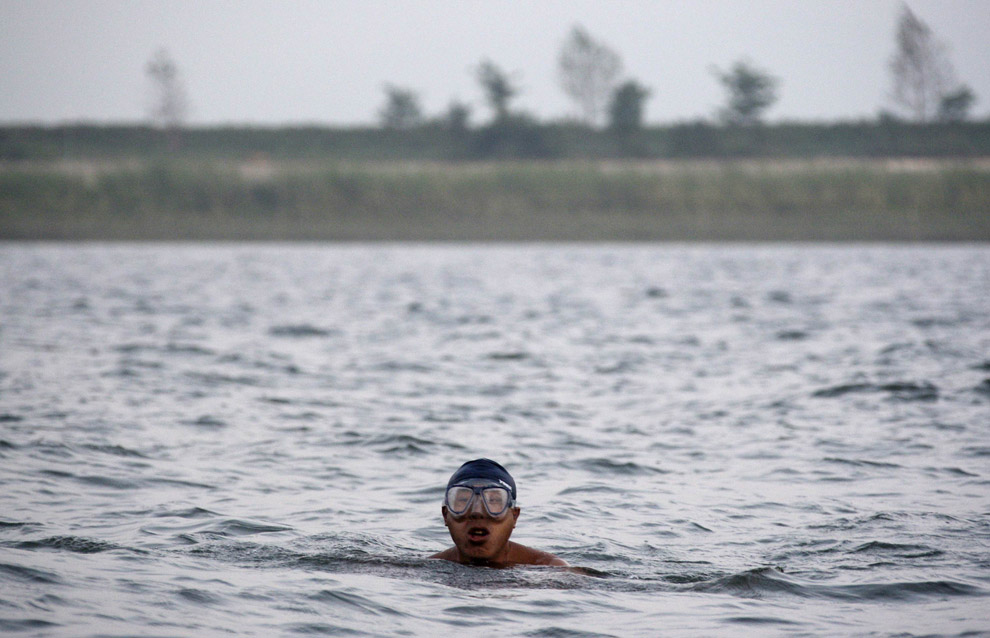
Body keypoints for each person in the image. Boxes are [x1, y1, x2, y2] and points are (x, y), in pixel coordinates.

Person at [431, 458, 568, 567]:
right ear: (445, 515)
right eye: (463, 499)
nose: (477, 512)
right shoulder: (427, 568)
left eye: (493, 500)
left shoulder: (551, 569)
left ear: (514, 516)